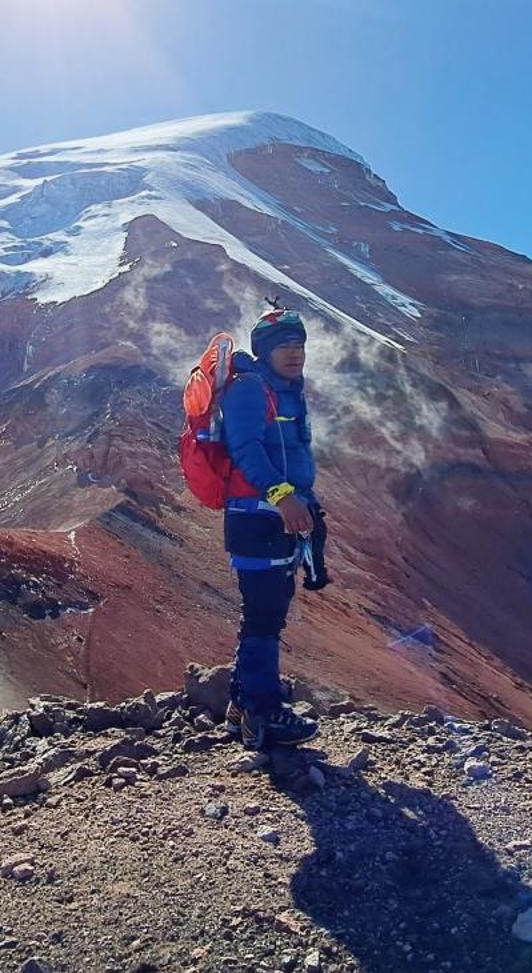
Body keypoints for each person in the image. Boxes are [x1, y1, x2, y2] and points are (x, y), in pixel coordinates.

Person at [219, 305, 330, 748]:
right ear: (264, 350)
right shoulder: (250, 389)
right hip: (255, 516)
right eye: (285, 345)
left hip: (277, 517)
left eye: (300, 344)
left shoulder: (287, 392)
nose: (295, 352)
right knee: (264, 613)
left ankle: (243, 704)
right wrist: (281, 496)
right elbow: (244, 448)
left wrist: (304, 501)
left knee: (267, 611)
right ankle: (263, 714)